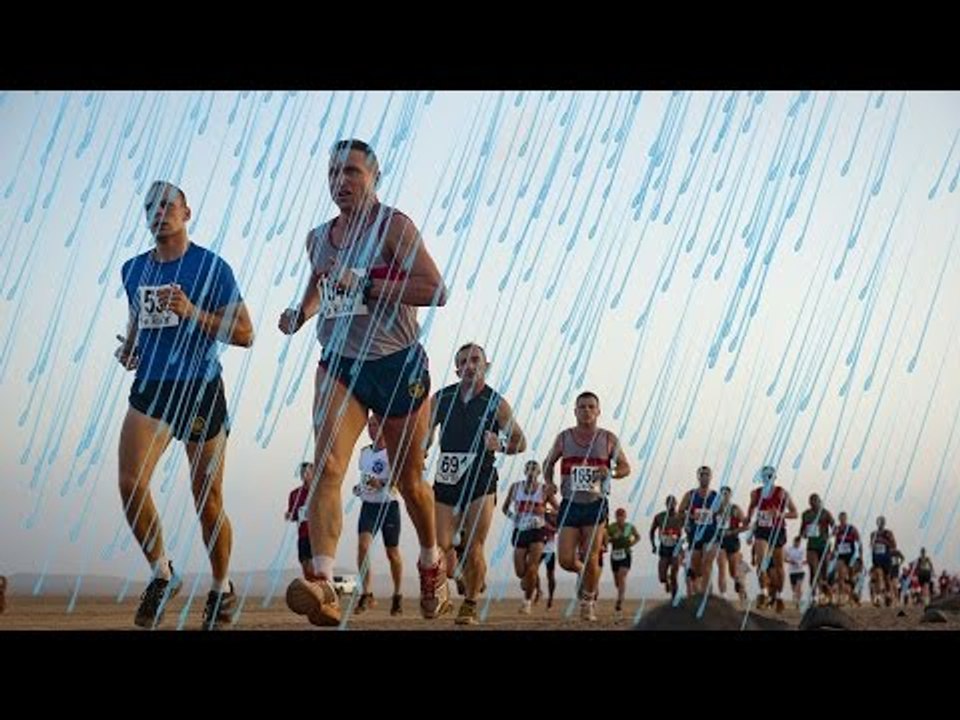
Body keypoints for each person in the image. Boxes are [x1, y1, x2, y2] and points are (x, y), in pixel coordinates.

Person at [278, 139, 449, 626]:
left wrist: (371, 287)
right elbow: (320, 281)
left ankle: (431, 560)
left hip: (397, 365)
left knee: (410, 481)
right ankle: (325, 584)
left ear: (374, 177)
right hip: (340, 364)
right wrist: (301, 312)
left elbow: (436, 289)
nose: (341, 181)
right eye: (333, 173)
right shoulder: (318, 237)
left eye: (352, 172)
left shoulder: (393, 226)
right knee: (328, 467)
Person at [116, 180, 254, 630]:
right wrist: (131, 348)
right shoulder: (133, 269)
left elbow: (246, 334)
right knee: (130, 483)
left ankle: (221, 587)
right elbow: (138, 320)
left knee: (207, 501)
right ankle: (162, 573)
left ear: (186, 212)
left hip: (199, 388)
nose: (160, 213)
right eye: (151, 207)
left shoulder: (213, 267)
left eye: (168, 205)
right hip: (152, 387)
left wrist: (194, 311)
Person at [427, 342, 527, 625]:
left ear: (486, 366)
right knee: (442, 546)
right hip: (447, 478)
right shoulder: (441, 398)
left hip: (481, 479)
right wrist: (421, 449)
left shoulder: (496, 402)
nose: (470, 365)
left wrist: (501, 445)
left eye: (475, 360)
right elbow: (426, 433)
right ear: (457, 369)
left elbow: (520, 441)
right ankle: (460, 572)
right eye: (463, 361)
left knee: (474, 545)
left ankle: (470, 604)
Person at [543, 391, 631, 622]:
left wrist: (609, 472)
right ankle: (581, 571)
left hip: (595, 504)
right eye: (582, 407)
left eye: (591, 407)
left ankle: (588, 601)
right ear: (575, 411)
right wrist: (550, 483)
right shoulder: (564, 437)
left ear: (598, 411)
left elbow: (625, 467)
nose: (586, 411)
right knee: (565, 560)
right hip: (570, 504)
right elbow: (548, 462)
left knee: (592, 555)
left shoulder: (608, 438)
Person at [351, 414, 403, 616]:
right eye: (369, 425)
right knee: (363, 546)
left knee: (392, 553)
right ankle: (367, 593)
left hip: (389, 506)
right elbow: (365, 478)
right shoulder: (364, 452)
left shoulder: (392, 451)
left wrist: (382, 484)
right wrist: (360, 488)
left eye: (375, 425)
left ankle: (397, 594)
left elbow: (399, 479)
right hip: (369, 506)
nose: (371, 429)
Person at [502, 460, 557, 614]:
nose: (532, 472)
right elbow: (505, 508)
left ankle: (527, 602)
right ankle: (531, 584)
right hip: (520, 531)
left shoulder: (544, 490)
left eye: (535, 469)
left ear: (539, 473)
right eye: (529, 469)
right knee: (520, 572)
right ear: (525, 471)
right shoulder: (515, 488)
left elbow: (557, 508)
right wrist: (514, 517)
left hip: (538, 531)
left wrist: (547, 514)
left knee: (532, 568)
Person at [745, 465, 798, 612]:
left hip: (777, 531)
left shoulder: (782, 493)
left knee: (779, 566)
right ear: (762, 478)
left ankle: (779, 596)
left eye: (770, 476)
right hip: (762, 530)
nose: (767, 479)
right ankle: (763, 594)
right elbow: (750, 510)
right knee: (761, 563)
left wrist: (781, 515)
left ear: (774, 477)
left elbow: (795, 513)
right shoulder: (755, 493)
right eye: (765, 476)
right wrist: (748, 521)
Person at [677, 466, 721, 595]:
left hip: (711, 535)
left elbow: (723, 514)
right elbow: (680, 512)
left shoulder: (715, 496)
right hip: (695, 535)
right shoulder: (690, 495)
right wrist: (691, 516)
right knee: (697, 570)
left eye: (707, 475)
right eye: (702, 475)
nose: (705, 477)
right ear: (698, 477)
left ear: (711, 477)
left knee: (707, 564)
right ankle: (702, 590)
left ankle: (705, 598)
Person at [715, 486, 749, 604]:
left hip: (732, 541)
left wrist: (732, 531)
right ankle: (724, 597)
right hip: (719, 541)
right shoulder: (715, 509)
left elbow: (746, 526)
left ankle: (740, 584)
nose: (724, 496)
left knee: (733, 572)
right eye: (722, 494)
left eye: (726, 494)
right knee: (721, 568)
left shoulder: (735, 509)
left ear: (730, 495)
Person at [799, 493, 835, 605]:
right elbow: (802, 529)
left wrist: (831, 535)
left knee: (824, 571)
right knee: (813, 570)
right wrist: (803, 534)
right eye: (811, 501)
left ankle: (824, 594)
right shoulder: (806, 514)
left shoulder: (825, 513)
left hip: (824, 545)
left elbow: (834, 527)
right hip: (811, 546)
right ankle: (814, 595)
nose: (813, 503)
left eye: (816, 501)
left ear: (819, 501)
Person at [606, 507, 640, 615]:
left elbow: (638, 537)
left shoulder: (629, 527)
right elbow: (605, 539)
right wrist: (612, 539)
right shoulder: (612, 527)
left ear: (625, 517)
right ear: (616, 517)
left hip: (626, 554)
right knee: (617, 580)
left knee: (622, 575)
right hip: (615, 554)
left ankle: (620, 599)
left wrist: (632, 543)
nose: (620, 518)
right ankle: (620, 591)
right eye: (618, 516)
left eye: (622, 516)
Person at [649, 495, 684, 600]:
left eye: (673, 503)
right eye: (669, 503)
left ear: (676, 504)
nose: (671, 506)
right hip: (664, 548)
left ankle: (674, 599)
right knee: (662, 578)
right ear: (666, 504)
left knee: (674, 574)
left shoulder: (681, 517)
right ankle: (666, 581)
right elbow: (652, 531)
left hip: (676, 548)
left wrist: (687, 540)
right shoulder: (659, 517)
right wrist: (653, 545)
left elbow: (689, 527)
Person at [285, 462, 315, 579]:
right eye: (303, 473)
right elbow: (293, 514)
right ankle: (310, 586)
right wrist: (289, 515)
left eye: (308, 472)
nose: (305, 475)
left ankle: (319, 588)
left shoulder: (319, 491)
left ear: (313, 473)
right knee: (304, 562)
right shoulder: (294, 494)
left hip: (317, 534)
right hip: (303, 534)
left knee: (315, 564)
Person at [830, 511, 861, 606]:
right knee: (840, 576)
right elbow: (835, 541)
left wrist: (860, 555)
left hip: (850, 556)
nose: (842, 520)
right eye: (840, 518)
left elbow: (859, 542)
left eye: (844, 518)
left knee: (850, 579)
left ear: (846, 519)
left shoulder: (852, 529)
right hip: (841, 556)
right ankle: (841, 598)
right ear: (839, 519)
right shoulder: (837, 529)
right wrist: (833, 551)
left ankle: (853, 594)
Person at [869, 516, 898, 607]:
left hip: (886, 558)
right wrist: (873, 545)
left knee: (887, 578)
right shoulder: (873, 534)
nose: (880, 523)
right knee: (878, 575)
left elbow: (894, 545)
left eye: (882, 522)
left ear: (884, 523)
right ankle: (878, 597)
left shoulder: (888, 533)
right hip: (877, 558)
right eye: (879, 522)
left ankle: (888, 595)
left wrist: (885, 542)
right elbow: (871, 546)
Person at [785, 536, 806, 609]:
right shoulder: (789, 549)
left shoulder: (802, 550)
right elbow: (785, 559)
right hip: (792, 571)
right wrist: (790, 561)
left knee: (798, 587)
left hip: (800, 571)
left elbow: (805, 560)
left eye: (799, 542)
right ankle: (797, 601)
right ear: (794, 541)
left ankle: (799, 602)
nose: (797, 543)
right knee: (794, 589)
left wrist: (802, 563)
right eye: (796, 542)